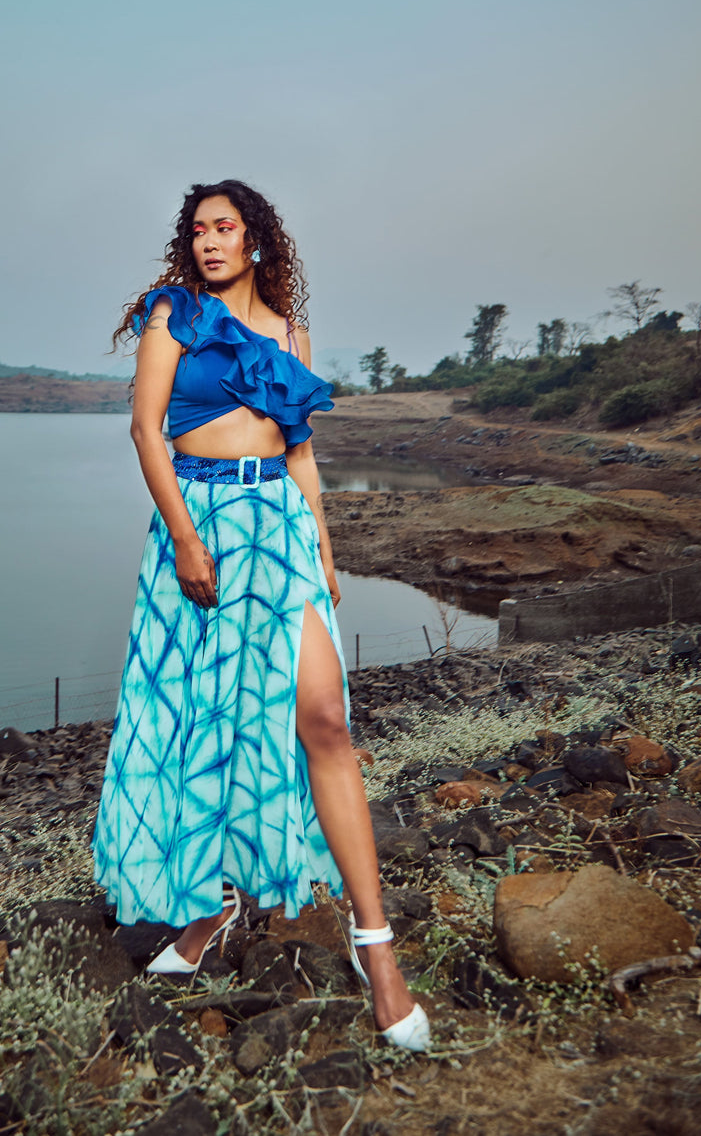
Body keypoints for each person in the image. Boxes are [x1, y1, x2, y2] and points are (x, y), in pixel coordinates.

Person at [91, 180, 430, 1052]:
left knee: (322, 718)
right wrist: (183, 540)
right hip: (197, 521)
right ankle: (208, 909)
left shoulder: (289, 332)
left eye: (225, 227)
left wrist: (322, 544)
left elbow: (301, 451)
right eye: (198, 229)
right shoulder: (174, 316)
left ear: (256, 241)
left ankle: (374, 944)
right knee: (206, 726)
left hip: (278, 525)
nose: (209, 241)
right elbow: (144, 430)